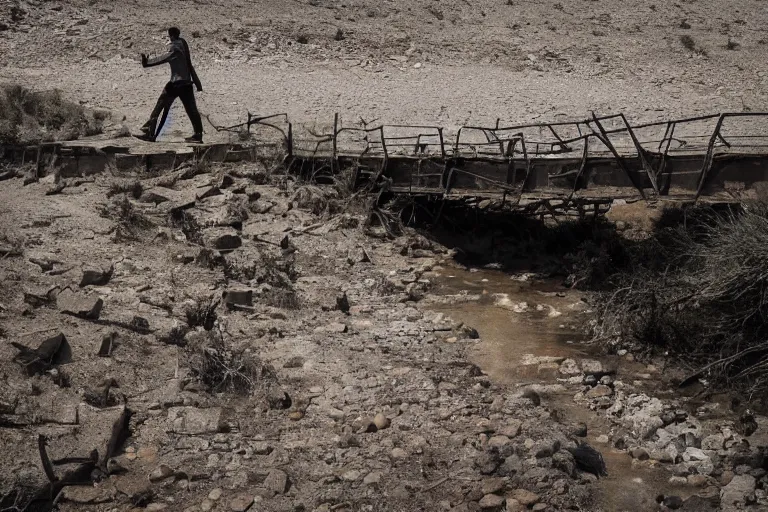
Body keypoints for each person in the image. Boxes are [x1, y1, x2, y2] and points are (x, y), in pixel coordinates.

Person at [138, 27, 204, 143]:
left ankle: (150, 132)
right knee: (191, 110)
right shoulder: (184, 43)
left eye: (169, 36)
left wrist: (147, 63)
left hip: (176, 84)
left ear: (171, 35)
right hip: (187, 83)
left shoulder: (174, 47)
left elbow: (163, 58)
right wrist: (197, 83)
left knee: (160, 106)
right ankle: (198, 135)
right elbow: (189, 63)